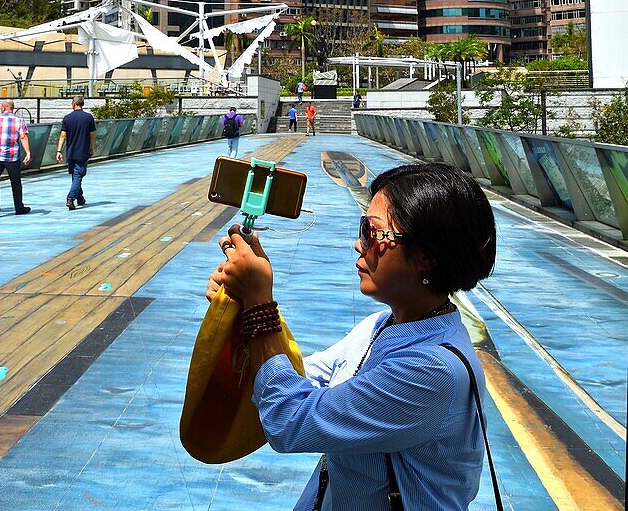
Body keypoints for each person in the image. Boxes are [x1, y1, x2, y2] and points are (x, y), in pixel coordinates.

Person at [208, 162, 497, 511]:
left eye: (372, 232)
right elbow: (297, 375)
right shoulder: (382, 326)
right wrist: (245, 304)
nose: (358, 244)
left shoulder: (431, 371)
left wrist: (258, 303)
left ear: (426, 258)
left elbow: (289, 420)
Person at [0, 99, 32, 220]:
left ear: (3, 108)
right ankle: (19, 207)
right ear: (12, 108)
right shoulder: (19, 120)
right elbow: (23, 136)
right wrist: (28, 152)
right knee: (16, 182)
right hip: (12, 156)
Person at [56, 95, 96, 210]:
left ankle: (80, 198)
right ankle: (70, 198)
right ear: (82, 104)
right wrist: (92, 148)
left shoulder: (67, 118)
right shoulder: (88, 117)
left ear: (73, 103)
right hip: (82, 151)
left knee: (75, 175)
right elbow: (92, 135)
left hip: (70, 152)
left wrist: (59, 150)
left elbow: (63, 135)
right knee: (78, 175)